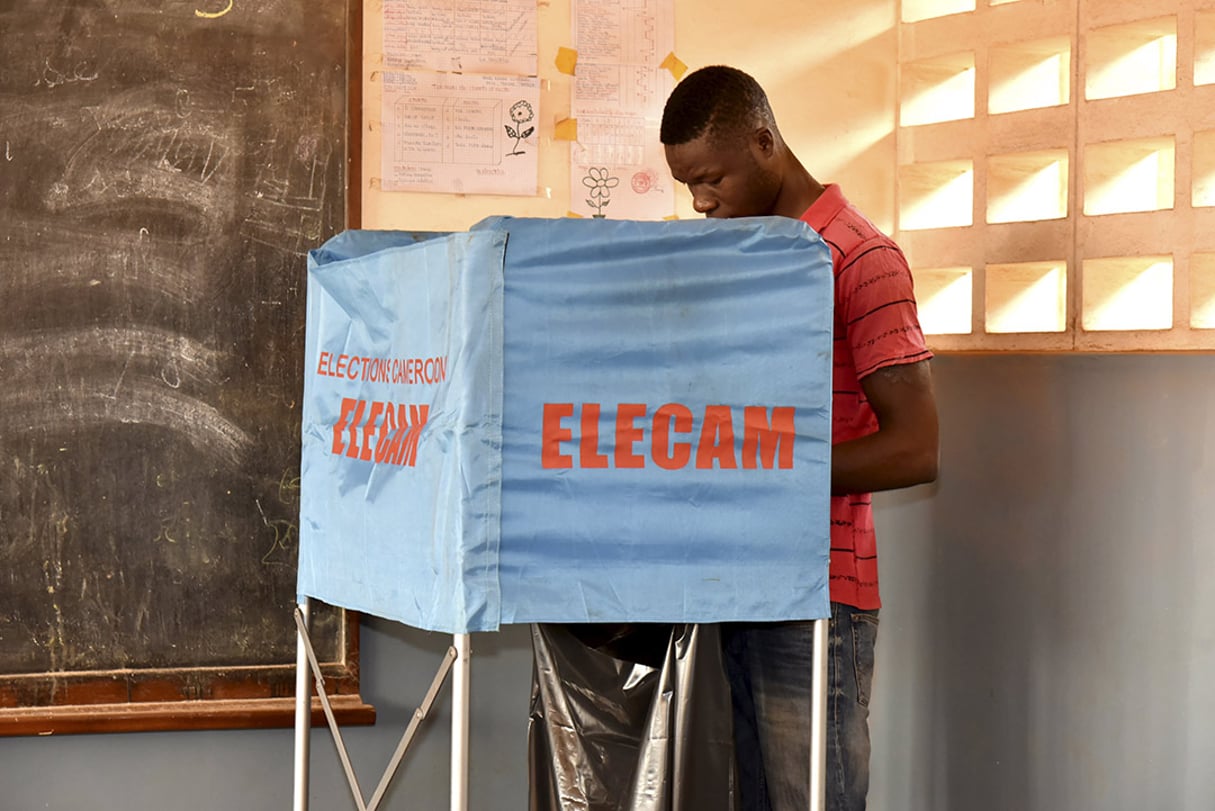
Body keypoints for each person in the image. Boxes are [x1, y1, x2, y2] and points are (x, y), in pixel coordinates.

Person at [660, 66, 940, 811]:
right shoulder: (748, 261)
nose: (700, 201)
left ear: (764, 142)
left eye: (710, 178)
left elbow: (915, 446)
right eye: (686, 185)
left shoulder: (860, 259)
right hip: (743, 583)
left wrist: (763, 473)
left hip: (820, 595)